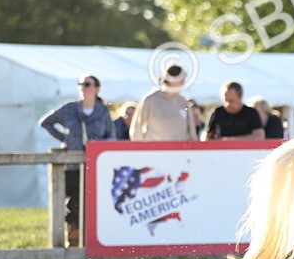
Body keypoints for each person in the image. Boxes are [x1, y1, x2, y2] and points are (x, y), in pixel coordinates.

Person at [39, 74, 114, 246]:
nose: (83, 87)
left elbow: (111, 136)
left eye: (87, 84)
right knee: (73, 203)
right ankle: (71, 238)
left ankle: (89, 240)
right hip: (72, 164)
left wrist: (97, 146)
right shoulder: (69, 109)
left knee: (89, 203)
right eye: (81, 84)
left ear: (96, 88)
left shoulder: (102, 112)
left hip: (94, 165)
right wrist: (64, 138)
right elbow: (46, 122)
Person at [130, 64, 199, 142]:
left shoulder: (183, 101)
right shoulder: (150, 100)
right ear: (170, 81)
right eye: (181, 80)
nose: (183, 83)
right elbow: (137, 129)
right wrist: (141, 151)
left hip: (180, 151)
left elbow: (192, 132)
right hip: (156, 151)